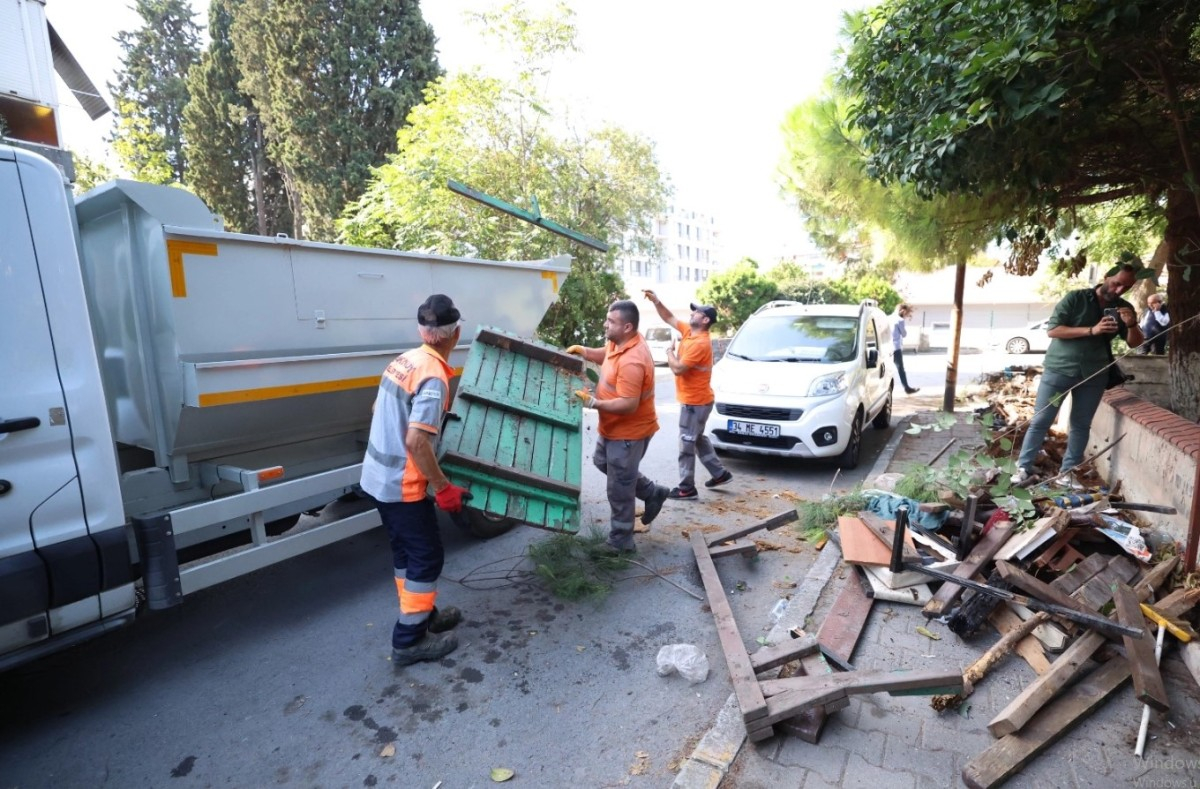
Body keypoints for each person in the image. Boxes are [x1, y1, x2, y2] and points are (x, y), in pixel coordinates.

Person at [360, 294, 473, 667]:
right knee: (426, 557)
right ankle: (409, 640)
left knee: (406, 554)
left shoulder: (404, 360)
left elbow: (378, 408)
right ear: (456, 334)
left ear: (422, 331)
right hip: (401, 486)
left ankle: (422, 615)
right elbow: (416, 441)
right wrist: (442, 487)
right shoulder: (434, 376)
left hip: (377, 478)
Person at [1012, 264, 1144, 484]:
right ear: (1106, 277)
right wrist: (1093, 330)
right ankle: (1023, 467)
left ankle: (1068, 473)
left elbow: (1135, 343)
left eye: (1126, 287)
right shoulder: (1076, 298)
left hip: (1094, 375)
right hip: (1059, 371)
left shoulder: (1124, 307)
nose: (1120, 290)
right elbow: (1053, 330)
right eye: (1117, 283)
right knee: (1042, 420)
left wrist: (1131, 324)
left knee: (1081, 424)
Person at [567, 300, 669, 553]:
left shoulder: (633, 361)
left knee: (619, 488)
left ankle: (621, 541)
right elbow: (607, 353)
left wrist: (594, 403)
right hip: (612, 428)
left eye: (611, 321)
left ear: (627, 327)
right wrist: (585, 351)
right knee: (602, 462)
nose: (605, 324)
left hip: (628, 433)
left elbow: (629, 404)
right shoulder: (620, 342)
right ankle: (651, 492)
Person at [642, 290, 733, 499]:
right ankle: (720, 474)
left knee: (686, 443)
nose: (692, 314)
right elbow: (669, 317)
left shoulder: (700, 343)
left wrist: (669, 352)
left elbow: (678, 369)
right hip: (699, 402)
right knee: (697, 438)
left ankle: (687, 488)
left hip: (695, 403)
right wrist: (657, 301)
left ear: (705, 320)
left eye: (697, 312)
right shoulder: (689, 332)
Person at [891, 303, 920, 395]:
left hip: (886, 347)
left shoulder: (888, 318)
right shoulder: (900, 320)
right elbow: (904, 334)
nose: (906, 316)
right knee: (900, 369)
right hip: (896, 348)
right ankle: (906, 388)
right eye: (906, 313)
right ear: (902, 311)